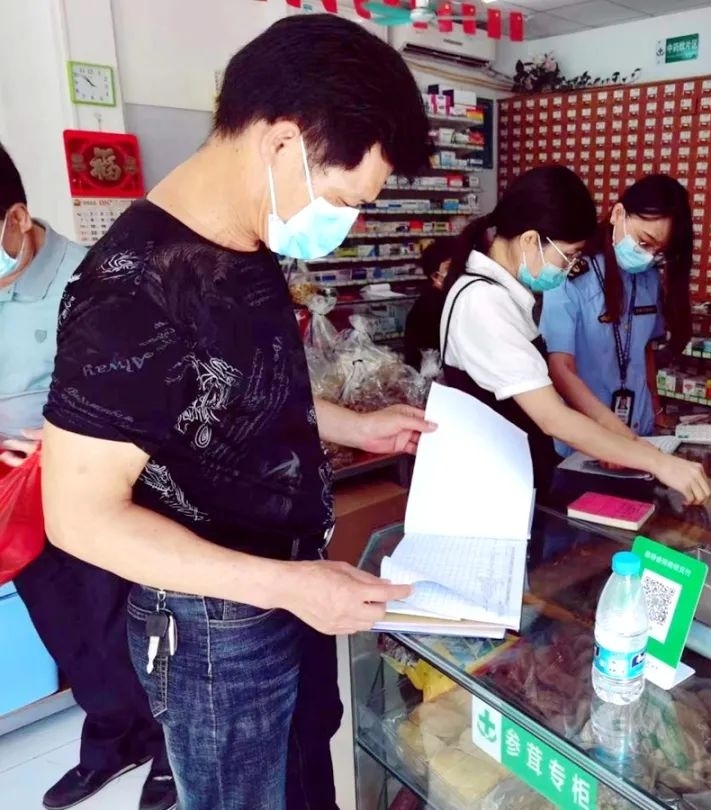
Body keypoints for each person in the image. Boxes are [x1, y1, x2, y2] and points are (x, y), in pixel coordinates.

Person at [39, 15, 433, 810]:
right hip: (214, 631)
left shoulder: (247, 242)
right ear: (283, 142)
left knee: (304, 780)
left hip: (288, 586)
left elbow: (244, 387)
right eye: (346, 199)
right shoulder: (128, 291)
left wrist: (355, 426)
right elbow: (78, 518)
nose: (347, 224)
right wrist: (284, 586)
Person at [0, 145, 176, 810]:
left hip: (97, 486)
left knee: (126, 624)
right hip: (17, 501)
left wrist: (61, 434)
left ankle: (170, 744)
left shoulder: (95, 281)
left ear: (17, 219)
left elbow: (145, 390)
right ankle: (112, 737)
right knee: (67, 631)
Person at [439, 165, 710, 505]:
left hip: (518, 478)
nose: (568, 267)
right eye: (567, 256)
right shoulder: (483, 302)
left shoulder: (500, 295)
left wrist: (626, 439)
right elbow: (553, 417)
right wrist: (657, 462)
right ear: (530, 241)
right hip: (491, 492)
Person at [541, 174, 693, 450]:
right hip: (588, 436)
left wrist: (656, 411)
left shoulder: (648, 277)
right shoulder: (570, 274)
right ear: (618, 214)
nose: (649, 256)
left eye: (659, 251)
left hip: (640, 429)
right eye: (644, 242)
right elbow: (560, 368)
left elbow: (644, 350)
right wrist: (612, 431)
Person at [402, 236, 454, 371]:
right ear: (435, 276)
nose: (456, 272)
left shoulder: (449, 297)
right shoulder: (429, 306)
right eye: (450, 267)